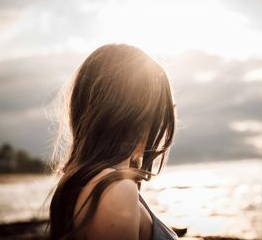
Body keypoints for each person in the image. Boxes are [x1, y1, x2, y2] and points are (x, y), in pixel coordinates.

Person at [48, 44, 179, 240]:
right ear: (137, 115)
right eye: (158, 112)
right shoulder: (115, 189)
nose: (160, 124)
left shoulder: (85, 183)